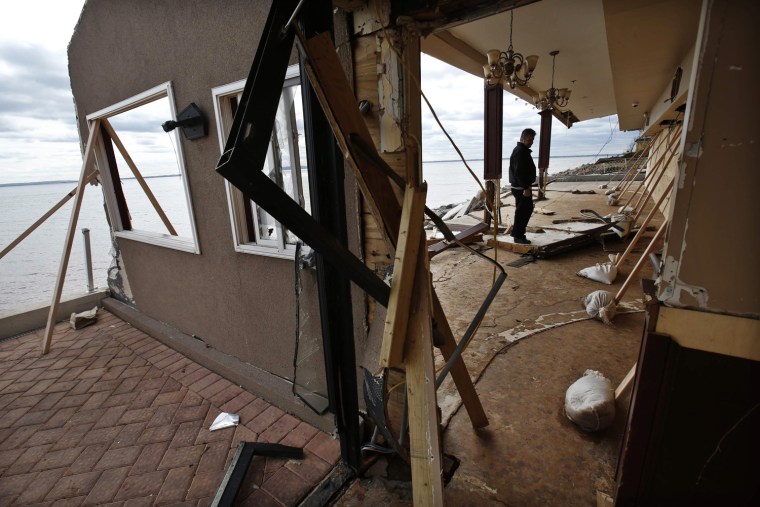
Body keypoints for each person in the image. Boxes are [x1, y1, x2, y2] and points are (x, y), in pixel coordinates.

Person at [508, 128, 537, 244]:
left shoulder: (523, 150)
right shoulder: (520, 151)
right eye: (529, 140)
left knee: (526, 210)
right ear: (522, 139)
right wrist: (525, 187)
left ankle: (518, 233)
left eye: (532, 140)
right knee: (523, 211)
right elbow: (519, 172)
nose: (531, 142)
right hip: (520, 188)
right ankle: (518, 235)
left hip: (522, 187)